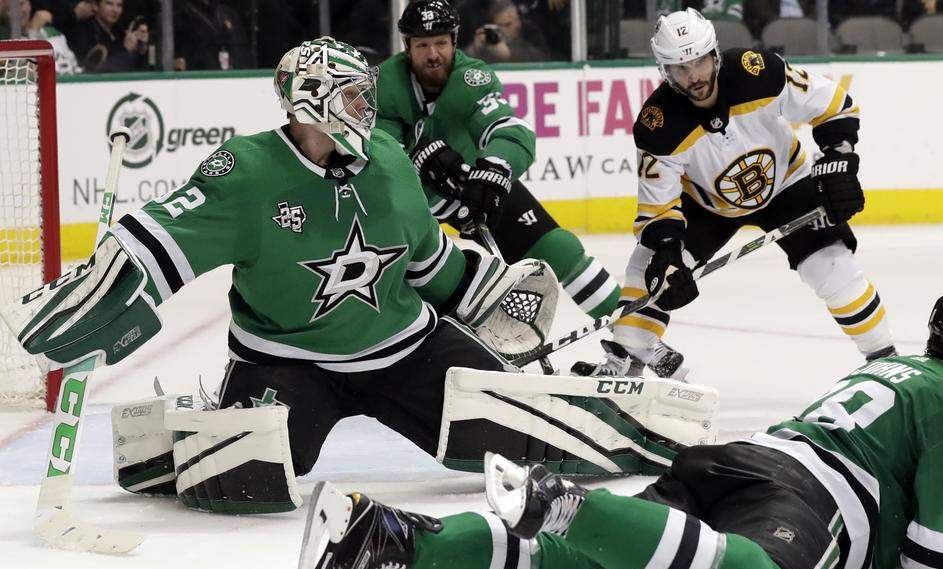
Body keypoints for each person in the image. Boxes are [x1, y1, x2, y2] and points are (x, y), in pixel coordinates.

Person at [3, 37, 690, 516]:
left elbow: (431, 265)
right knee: (246, 484)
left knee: (527, 446)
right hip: (286, 358)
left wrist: (486, 297)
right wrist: (99, 292)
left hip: (407, 347)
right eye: (356, 97)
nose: (370, 108)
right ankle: (183, 430)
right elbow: (156, 243)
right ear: (312, 103)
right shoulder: (245, 172)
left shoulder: (389, 161)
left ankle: (632, 418)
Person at [293, 281, 943, 569]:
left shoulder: (893, 371)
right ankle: (566, 501)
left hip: (737, 461)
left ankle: (391, 535)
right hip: (805, 499)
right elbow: (941, 560)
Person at [574, 9, 897, 380]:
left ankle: (885, 362)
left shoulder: (758, 71)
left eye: (698, 61)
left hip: (787, 183)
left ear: (714, 53)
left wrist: (840, 159)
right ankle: (626, 357)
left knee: (833, 267)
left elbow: (835, 105)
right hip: (707, 205)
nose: (694, 76)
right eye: (681, 68)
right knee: (649, 271)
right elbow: (658, 207)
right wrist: (668, 254)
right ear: (665, 71)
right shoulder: (657, 124)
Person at [376, 0, 622, 325]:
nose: (432, 54)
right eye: (422, 45)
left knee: (558, 248)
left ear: (454, 41)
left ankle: (633, 333)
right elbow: (377, 151)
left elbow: (510, 131)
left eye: (440, 43)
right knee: (420, 285)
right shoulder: (384, 84)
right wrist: (414, 159)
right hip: (408, 203)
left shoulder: (472, 78)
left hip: (468, 187)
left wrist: (492, 170)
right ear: (407, 47)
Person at [1, 0, 81, 74]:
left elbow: (74, 65)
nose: (17, 12)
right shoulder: (7, 42)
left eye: (21, 4)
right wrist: (34, 31)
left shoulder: (53, 33)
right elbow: (28, 74)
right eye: (10, 8)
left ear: (29, 5)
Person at [465, 0, 551, 63]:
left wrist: (510, 54)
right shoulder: (490, 34)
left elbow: (543, 58)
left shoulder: (529, 30)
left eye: (507, 25)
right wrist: (474, 49)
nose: (503, 30)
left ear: (518, 21)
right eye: (499, 25)